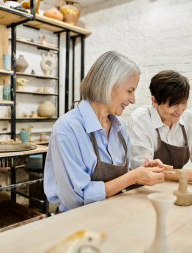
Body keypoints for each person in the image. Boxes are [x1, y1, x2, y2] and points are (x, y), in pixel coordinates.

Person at [44, 51, 165, 212]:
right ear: (109, 85)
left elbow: (123, 179)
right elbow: (75, 199)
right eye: (129, 91)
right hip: (76, 223)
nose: (133, 100)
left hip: (112, 213)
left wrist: (142, 172)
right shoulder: (67, 129)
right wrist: (133, 176)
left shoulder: (120, 128)